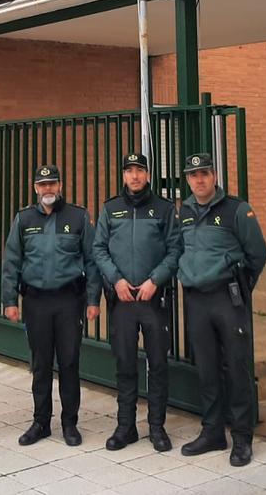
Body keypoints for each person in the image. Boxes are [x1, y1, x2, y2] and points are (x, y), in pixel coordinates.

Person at [176, 152, 266, 467]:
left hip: (228, 298)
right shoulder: (184, 211)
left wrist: (241, 286)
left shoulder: (237, 210)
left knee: (236, 366)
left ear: (214, 175)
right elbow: (179, 249)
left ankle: (242, 438)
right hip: (197, 299)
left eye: (204, 173)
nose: (199, 180)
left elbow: (258, 253)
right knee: (207, 367)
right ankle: (213, 432)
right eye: (192, 175)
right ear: (187, 179)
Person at [2, 164, 101, 447]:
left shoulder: (78, 216)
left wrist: (93, 300)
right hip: (36, 301)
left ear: (60, 186)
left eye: (52, 184)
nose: (48, 189)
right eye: (42, 184)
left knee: (69, 362)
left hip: (69, 300)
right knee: (41, 364)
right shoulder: (23, 219)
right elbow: (12, 262)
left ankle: (70, 423)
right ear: (35, 188)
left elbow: (92, 261)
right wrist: (10, 301)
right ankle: (41, 422)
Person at [92, 152, 180, 452]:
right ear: (124, 175)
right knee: (125, 365)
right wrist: (116, 280)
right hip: (123, 300)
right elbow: (99, 248)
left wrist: (155, 280)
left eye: (140, 170)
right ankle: (125, 427)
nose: (135, 176)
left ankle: (157, 428)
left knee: (157, 364)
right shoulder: (111, 208)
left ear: (148, 174)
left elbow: (174, 249)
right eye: (129, 170)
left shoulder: (164, 209)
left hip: (153, 299)